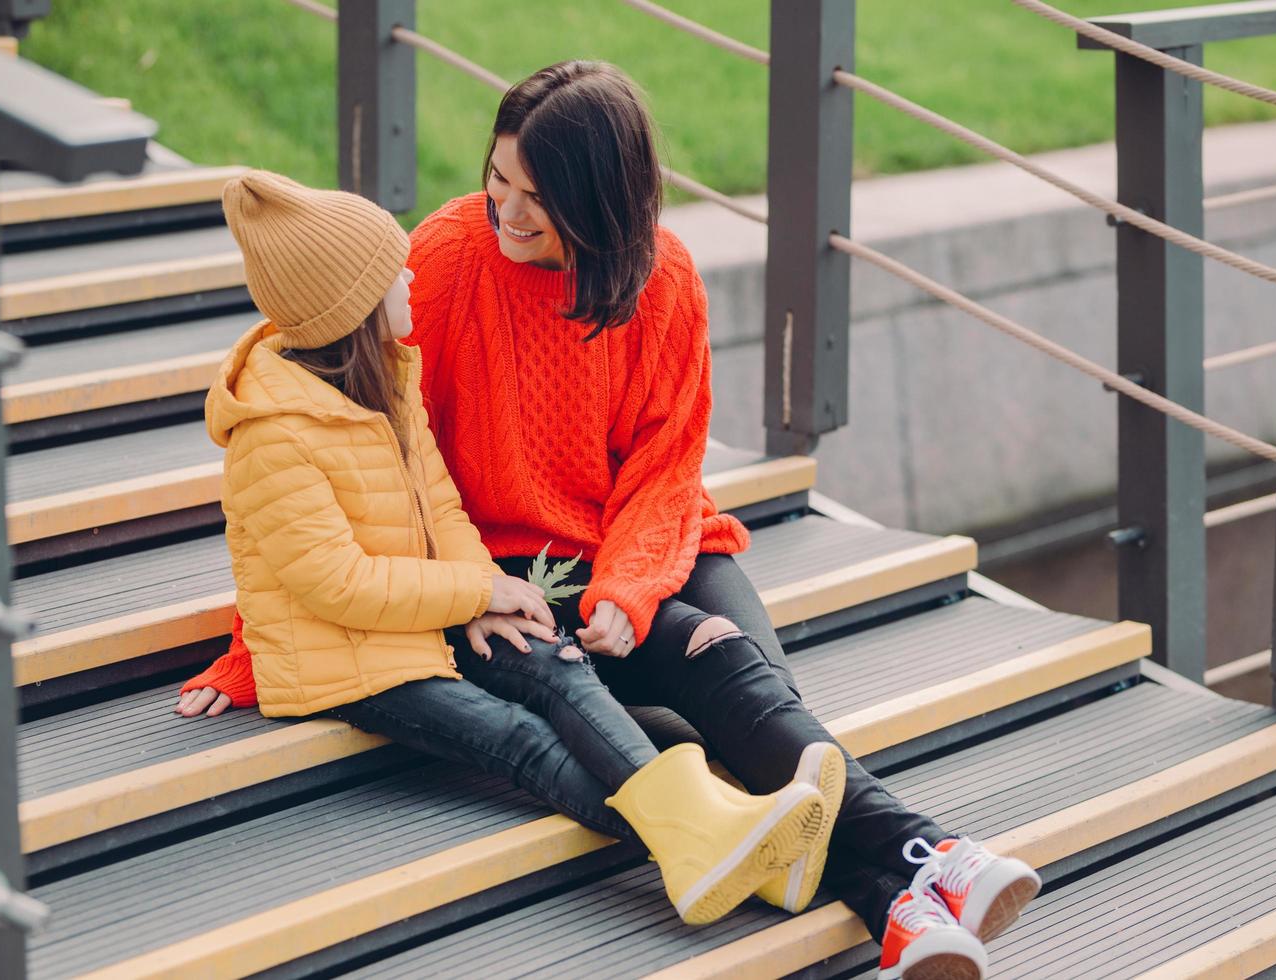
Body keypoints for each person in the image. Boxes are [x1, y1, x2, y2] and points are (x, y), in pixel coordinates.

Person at [185, 63, 1041, 977]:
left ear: (599, 201)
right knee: (708, 728)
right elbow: (360, 454)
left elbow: (670, 460)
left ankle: (909, 890)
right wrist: (260, 641)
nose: (506, 213)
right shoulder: (439, 260)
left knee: (740, 686)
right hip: (513, 567)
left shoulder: (662, 277)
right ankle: (917, 870)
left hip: (644, 537)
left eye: (537, 197)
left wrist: (630, 588)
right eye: (496, 180)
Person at [175, 168, 839, 927]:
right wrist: (475, 594)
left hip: (419, 623)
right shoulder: (272, 434)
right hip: (352, 666)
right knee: (524, 740)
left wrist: (488, 589)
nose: (410, 274)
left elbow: (443, 508)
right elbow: (333, 582)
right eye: (393, 271)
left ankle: (736, 847)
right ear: (350, 307)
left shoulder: (388, 382)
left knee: (561, 665)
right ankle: (721, 853)